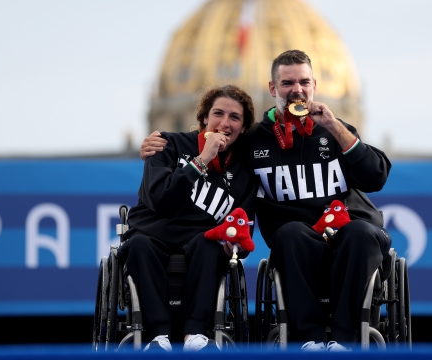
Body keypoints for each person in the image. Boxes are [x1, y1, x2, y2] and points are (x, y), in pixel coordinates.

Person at [141, 50, 391, 351]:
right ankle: (308, 340)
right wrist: (161, 143)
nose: (296, 90)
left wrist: (335, 125)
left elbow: (376, 176)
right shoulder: (254, 140)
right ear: (273, 89)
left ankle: (344, 341)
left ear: (313, 86)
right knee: (289, 233)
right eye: (287, 83)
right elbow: (218, 131)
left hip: (350, 228)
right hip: (300, 236)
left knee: (359, 232)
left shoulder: (335, 130)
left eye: (304, 82)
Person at [120, 84, 257, 352]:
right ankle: (158, 336)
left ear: (243, 128)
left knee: (210, 244)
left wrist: (236, 246)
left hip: (198, 240)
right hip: (152, 232)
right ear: (204, 117)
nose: (224, 123)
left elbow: (242, 227)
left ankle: (195, 334)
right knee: (138, 246)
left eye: (234, 118)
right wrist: (203, 159)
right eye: (218, 113)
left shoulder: (245, 172)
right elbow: (160, 198)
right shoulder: (167, 144)